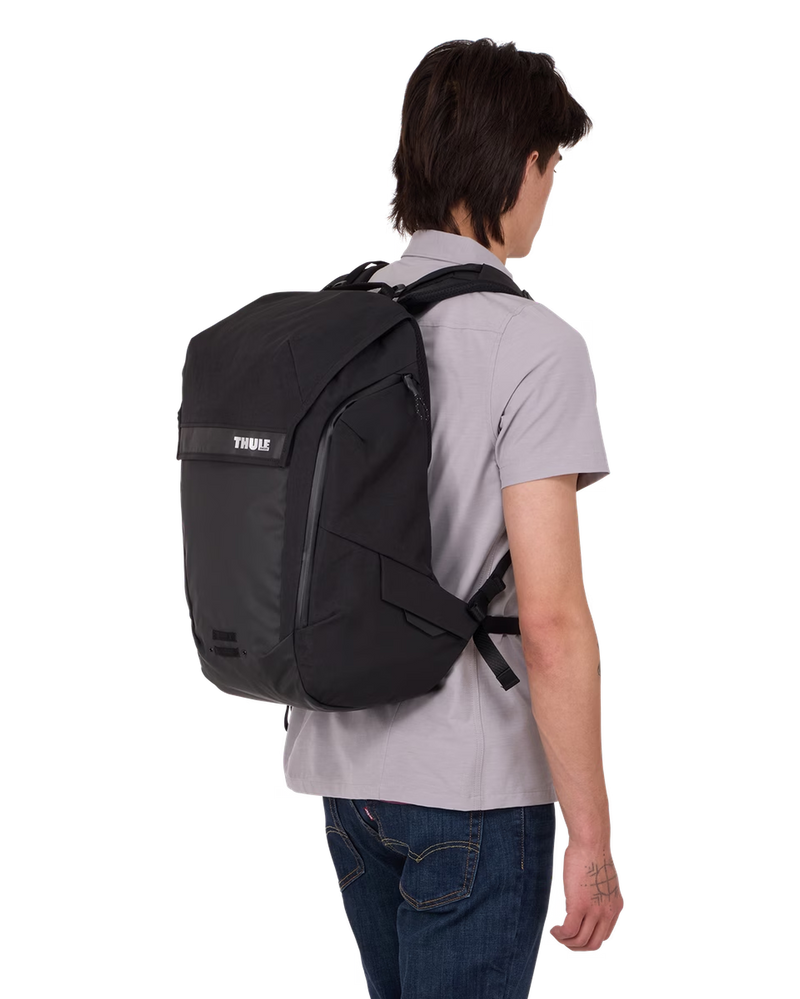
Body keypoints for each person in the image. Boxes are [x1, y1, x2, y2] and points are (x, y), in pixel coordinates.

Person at [280, 34, 627, 997]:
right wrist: (592, 843)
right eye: (551, 169)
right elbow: (552, 618)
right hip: (474, 785)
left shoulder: (334, 320)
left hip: (343, 766)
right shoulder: (534, 344)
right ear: (519, 164)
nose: (550, 194)